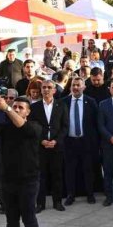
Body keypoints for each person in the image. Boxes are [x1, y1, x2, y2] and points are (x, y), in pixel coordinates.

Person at [0, 96, 42, 227]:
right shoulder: (5, 128)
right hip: (8, 180)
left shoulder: (33, 127)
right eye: (15, 106)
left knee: (29, 218)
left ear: (28, 112)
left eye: (21, 107)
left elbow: (22, 125)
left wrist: (7, 108)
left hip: (28, 180)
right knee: (11, 220)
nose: (17, 109)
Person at [29, 79, 69, 212]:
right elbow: (32, 127)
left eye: (49, 87)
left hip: (56, 146)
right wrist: (42, 140)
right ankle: (40, 203)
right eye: (44, 87)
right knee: (41, 176)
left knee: (57, 174)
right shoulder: (34, 107)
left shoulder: (61, 105)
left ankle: (57, 201)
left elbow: (65, 126)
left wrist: (56, 141)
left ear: (54, 90)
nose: (46, 89)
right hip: (41, 147)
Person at [61, 77, 99, 205]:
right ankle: (71, 194)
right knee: (70, 170)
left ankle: (90, 194)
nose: (75, 88)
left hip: (86, 142)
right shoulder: (63, 102)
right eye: (73, 85)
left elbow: (96, 123)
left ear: (84, 87)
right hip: (69, 142)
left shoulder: (91, 102)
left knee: (88, 169)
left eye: (78, 85)